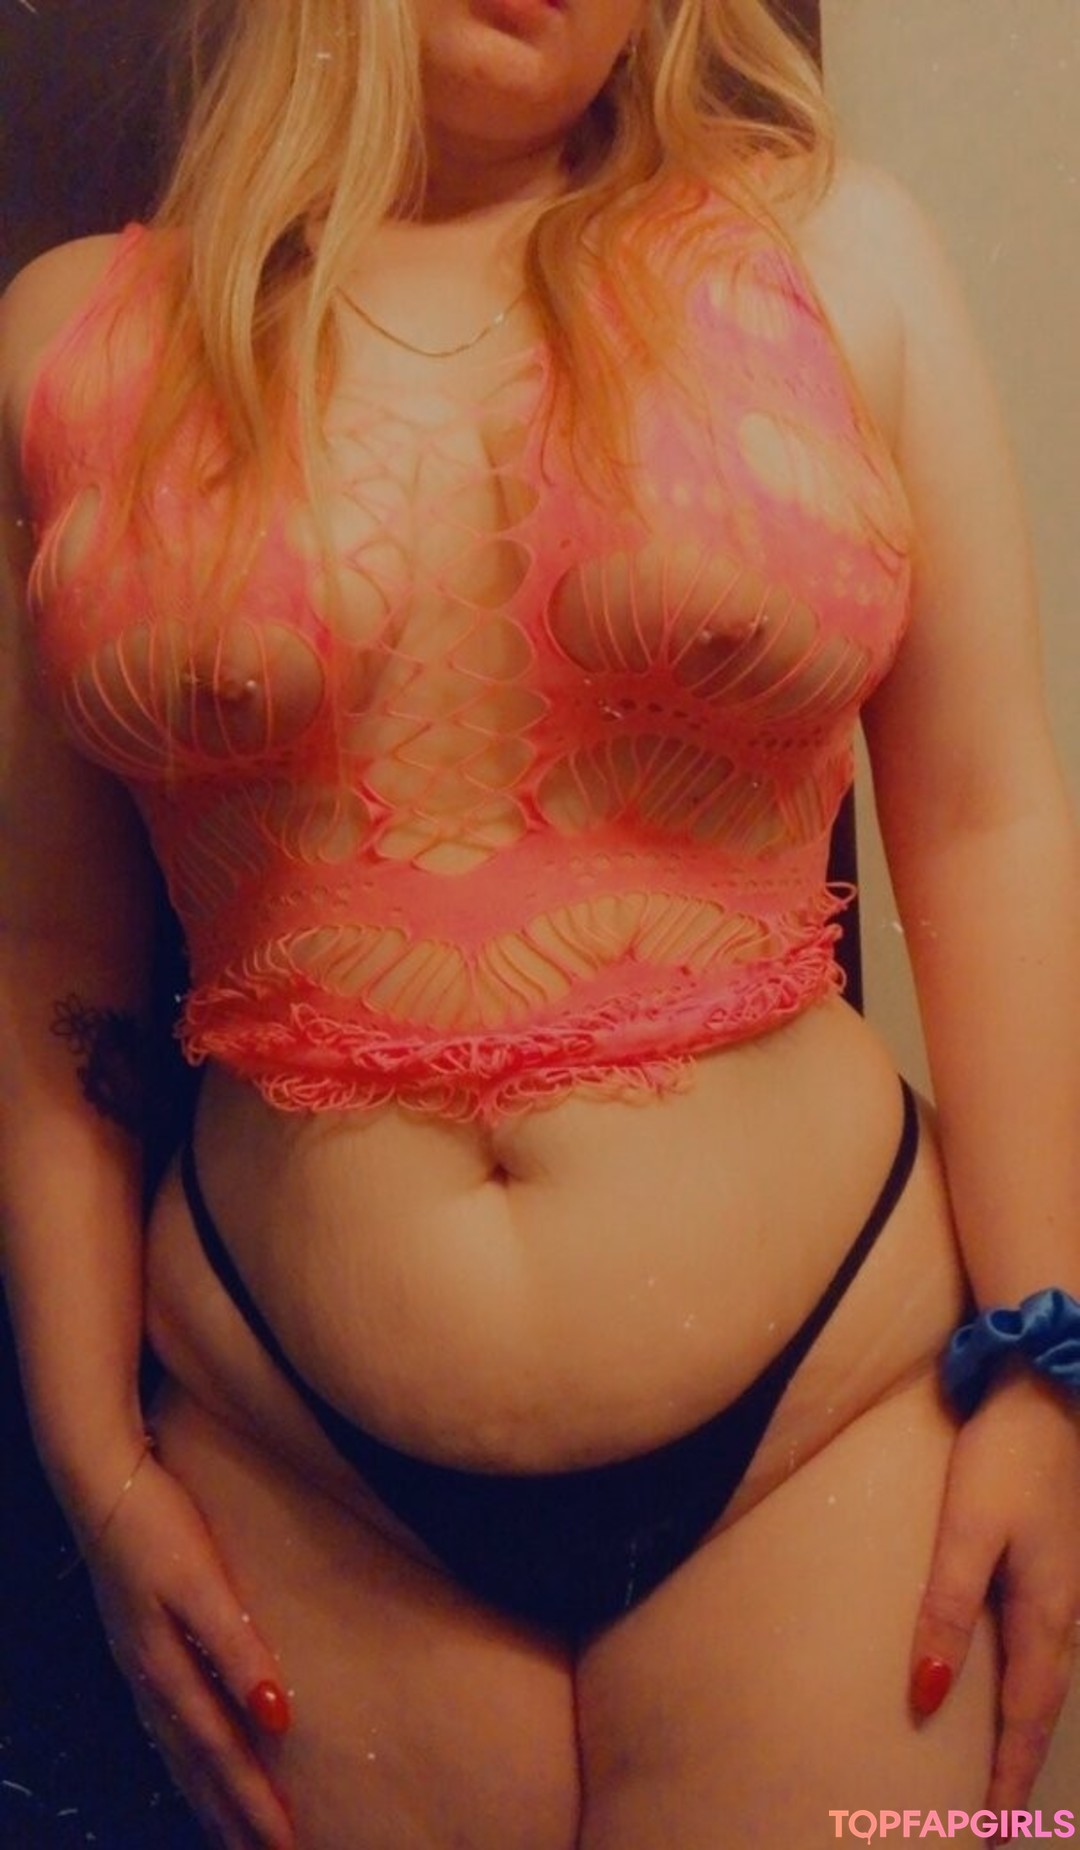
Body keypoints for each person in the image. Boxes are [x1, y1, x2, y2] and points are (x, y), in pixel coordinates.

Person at [1, 2, 1078, 1846]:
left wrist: (1053, 1368)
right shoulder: (74, 340)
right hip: (292, 1471)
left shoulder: (839, 254)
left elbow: (988, 824)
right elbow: (50, 960)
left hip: (838, 1427)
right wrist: (96, 1472)